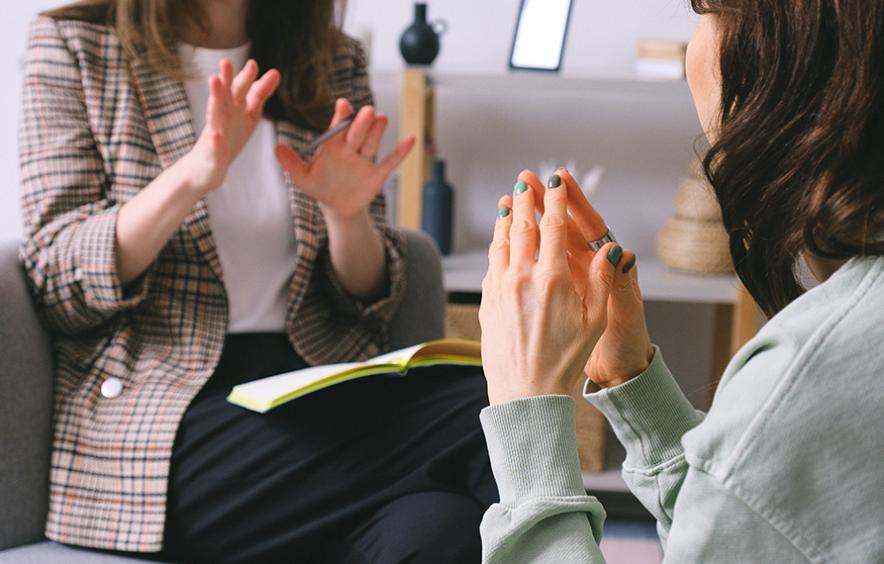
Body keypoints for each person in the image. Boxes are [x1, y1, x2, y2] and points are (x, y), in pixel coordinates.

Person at [19, 0, 496, 561]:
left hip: (320, 393)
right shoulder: (77, 44)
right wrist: (193, 177)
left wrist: (346, 214)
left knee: (442, 531)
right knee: (488, 409)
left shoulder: (329, 57)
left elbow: (370, 300)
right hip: (162, 423)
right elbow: (56, 280)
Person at [477, 1, 884, 562]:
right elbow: (757, 530)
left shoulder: (802, 382)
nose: (692, 50)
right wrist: (634, 382)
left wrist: (526, 411)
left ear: (792, 50)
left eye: (705, 11)